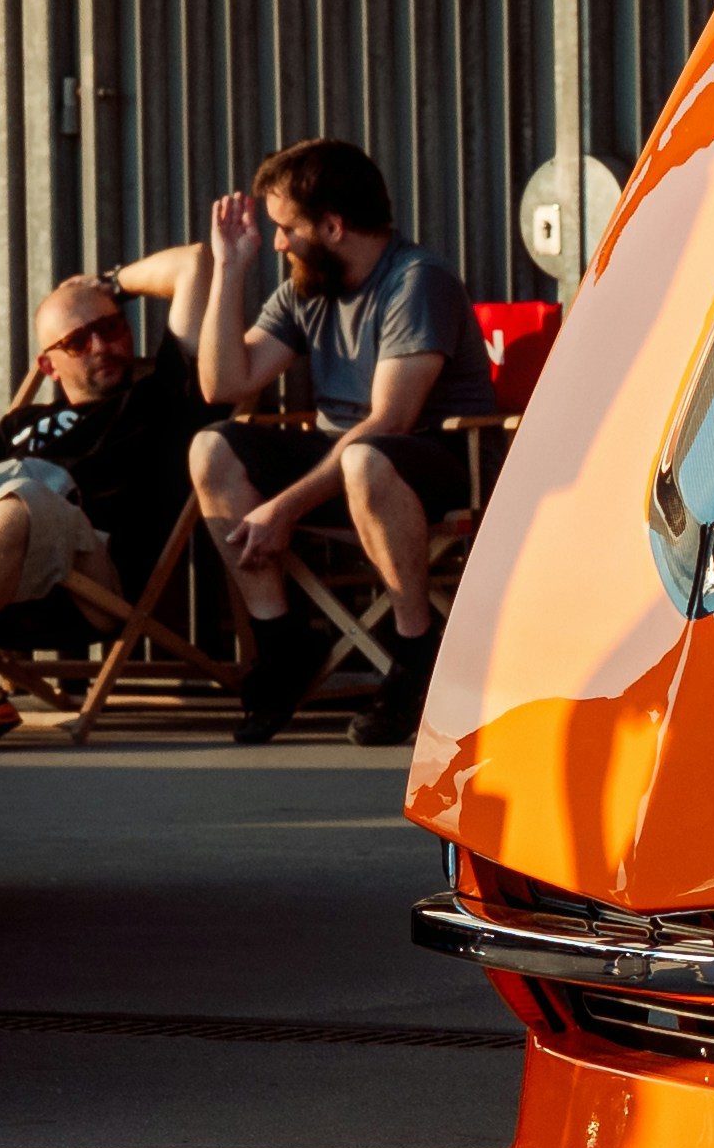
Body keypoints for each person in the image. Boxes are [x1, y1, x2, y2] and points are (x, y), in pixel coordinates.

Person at [148, 135, 489, 745]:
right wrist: (230, 271)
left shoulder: (417, 281)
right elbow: (224, 384)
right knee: (212, 447)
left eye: (285, 228)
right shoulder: (309, 287)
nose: (276, 242)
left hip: (430, 467)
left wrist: (284, 507)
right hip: (350, 468)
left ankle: (415, 655)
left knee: (366, 456)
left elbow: (391, 419)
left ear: (332, 226)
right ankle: (282, 647)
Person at [0, 273, 213, 671]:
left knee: (22, 498)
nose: (101, 347)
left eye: (111, 327)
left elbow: (194, 264)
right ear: (48, 365)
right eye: (78, 342)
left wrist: (112, 282)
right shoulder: (20, 424)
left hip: (88, 575)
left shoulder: (156, 396)